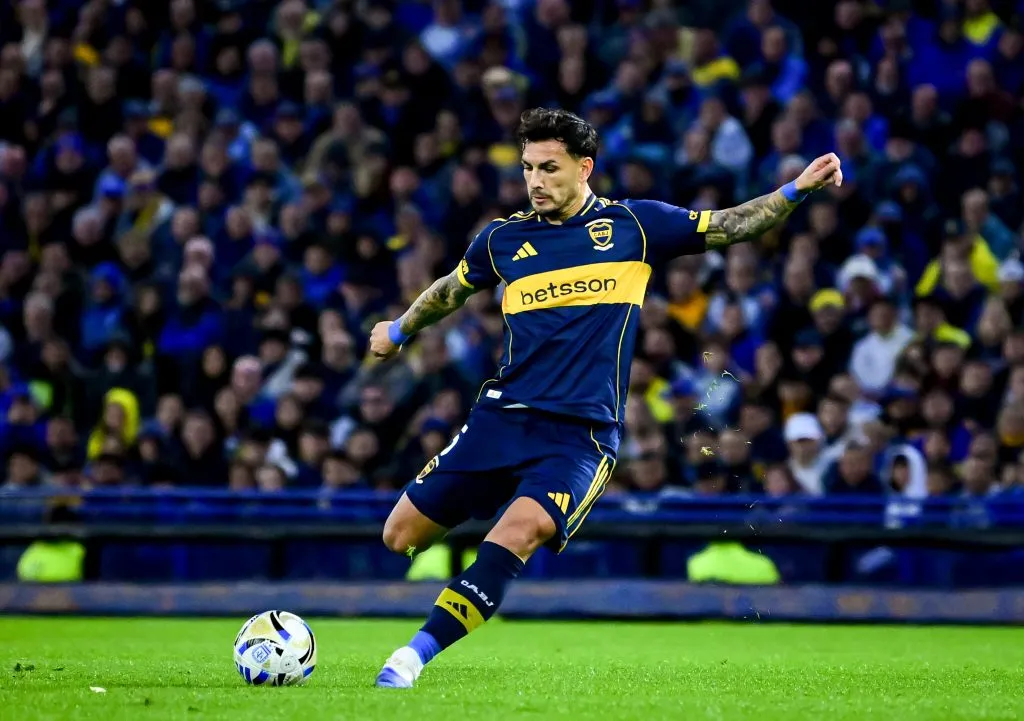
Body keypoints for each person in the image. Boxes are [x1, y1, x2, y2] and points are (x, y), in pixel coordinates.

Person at [368, 107, 842, 687]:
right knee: (400, 536)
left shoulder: (633, 227)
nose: (535, 181)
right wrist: (398, 329)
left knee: (516, 534)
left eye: (549, 168)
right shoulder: (503, 239)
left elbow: (731, 224)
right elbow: (450, 290)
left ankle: (411, 658)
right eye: (527, 169)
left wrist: (795, 188)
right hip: (501, 419)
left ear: (584, 167)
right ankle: (479, 512)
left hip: (578, 435)